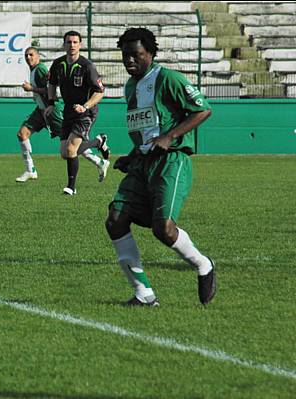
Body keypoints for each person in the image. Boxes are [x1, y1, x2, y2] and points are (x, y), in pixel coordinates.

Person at [105, 27, 215, 307]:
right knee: (116, 219)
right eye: (125, 55)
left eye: (136, 55)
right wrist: (131, 155)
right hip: (142, 162)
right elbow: (145, 128)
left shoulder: (169, 79)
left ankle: (203, 265)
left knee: (164, 229)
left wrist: (170, 136)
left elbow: (202, 109)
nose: (130, 61)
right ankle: (144, 293)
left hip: (171, 161)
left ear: (151, 54)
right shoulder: (131, 86)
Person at [16, 47, 108, 183]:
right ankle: (30, 170)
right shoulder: (33, 70)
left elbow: (49, 89)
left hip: (51, 111)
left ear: (38, 56)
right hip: (41, 110)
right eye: (26, 55)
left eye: (31, 55)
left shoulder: (40, 69)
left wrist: (32, 89)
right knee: (22, 134)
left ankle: (99, 160)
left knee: (70, 146)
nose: (28, 58)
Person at [45, 31, 110, 195]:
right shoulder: (58, 64)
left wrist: (86, 106)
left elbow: (100, 91)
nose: (72, 45)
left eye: (75, 42)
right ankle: (98, 141)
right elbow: (51, 84)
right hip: (68, 110)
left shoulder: (87, 66)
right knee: (64, 153)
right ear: (64, 44)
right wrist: (51, 103)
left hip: (86, 112)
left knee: (71, 149)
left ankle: (71, 187)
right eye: (69, 42)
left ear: (80, 45)